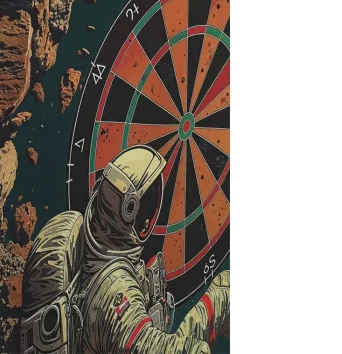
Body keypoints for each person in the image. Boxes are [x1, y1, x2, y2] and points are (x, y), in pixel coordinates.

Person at [20, 146, 229, 353]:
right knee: (225, 294)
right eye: (148, 205)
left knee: (225, 289)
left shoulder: (92, 259)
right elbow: (145, 344)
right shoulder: (115, 288)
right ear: (130, 212)